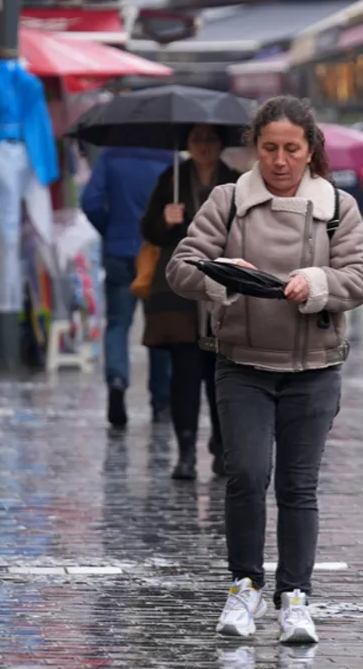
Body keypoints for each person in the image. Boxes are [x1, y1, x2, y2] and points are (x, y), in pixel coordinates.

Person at [168, 96, 363, 643]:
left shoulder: (337, 205)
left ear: (310, 150)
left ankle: (295, 598)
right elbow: (181, 268)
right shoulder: (229, 199)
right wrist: (222, 275)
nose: (280, 160)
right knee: (246, 474)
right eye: (269, 148)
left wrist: (320, 283)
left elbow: (362, 275)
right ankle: (244, 586)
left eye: (291, 148)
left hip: (314, 366)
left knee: (298, 485)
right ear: (253, 148)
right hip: (242, 363)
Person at [139, 124, 239, 480]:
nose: (204, 147)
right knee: (184, 376)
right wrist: (166, 222)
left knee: (220, 378)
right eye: (196, 139)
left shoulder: (236, 181)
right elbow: (149, 229)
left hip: (224, 293)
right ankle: (185, 452)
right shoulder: (173, 177)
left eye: (210, 139)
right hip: (181, 295)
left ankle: (221, 446)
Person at [81, 142, 175, 429]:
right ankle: (161, 401)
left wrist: (110, 230)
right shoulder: (168, 156)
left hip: (119, 250)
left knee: (118, 323)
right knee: (159, 328)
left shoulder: (111, 155)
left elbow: (91, 200)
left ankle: (117, 381)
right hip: (157, 253)